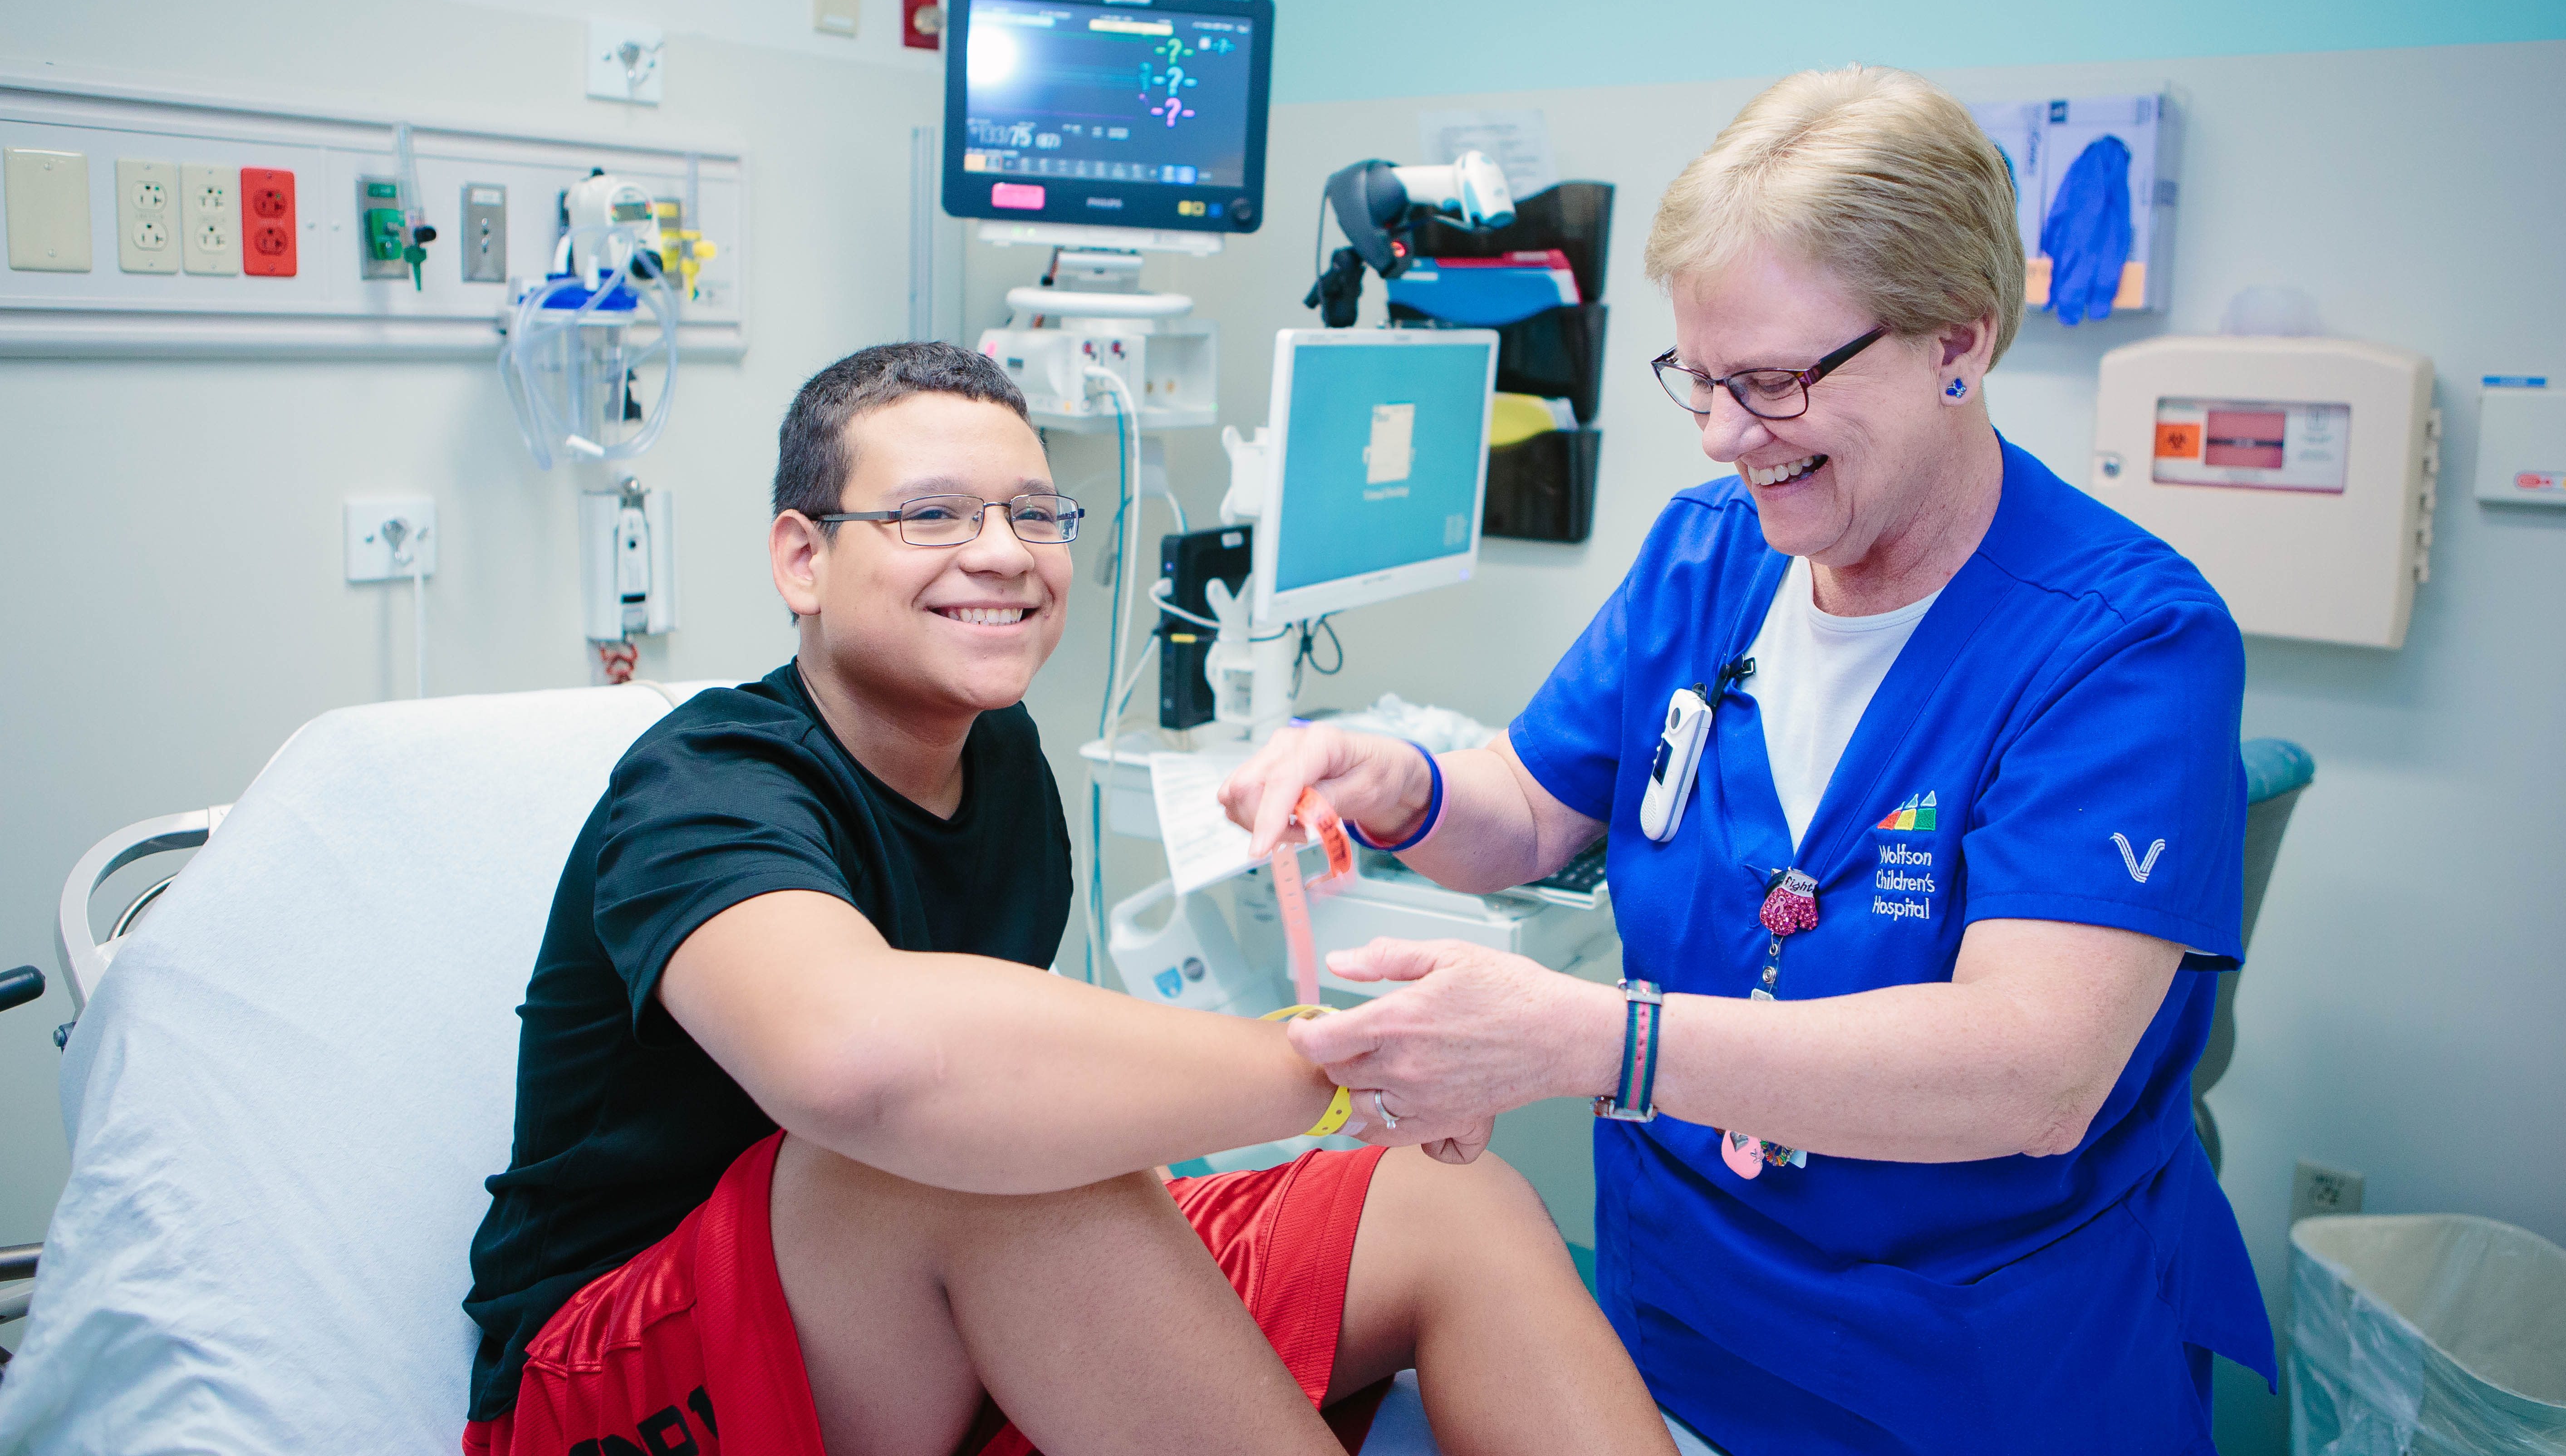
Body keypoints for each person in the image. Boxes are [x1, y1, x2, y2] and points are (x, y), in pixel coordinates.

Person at [1222, 68, 2276, 1454]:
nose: (1727, 437)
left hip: (1973, 1372)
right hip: (1677, 1320)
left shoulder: (2124, 644)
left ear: (1959, 337)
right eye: (1701, 382)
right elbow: (1535, 808)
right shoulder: (1710, 553)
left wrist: (1587, 1040)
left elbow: (2032, 1072)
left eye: (1774, 383)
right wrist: (1408, 783)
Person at [461, 343, 1675, 1456]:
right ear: (804, 559)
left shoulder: (999, 764)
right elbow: (859, 1067)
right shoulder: (706, 786)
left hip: (903, 1318)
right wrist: (1349, 1069)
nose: (1002, 552)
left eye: (1033, 514)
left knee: (1446, 1204)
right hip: (617, 1369)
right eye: (932, 514)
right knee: (960, 1151)